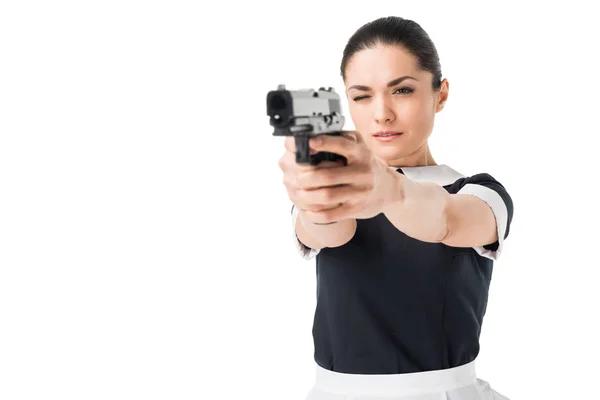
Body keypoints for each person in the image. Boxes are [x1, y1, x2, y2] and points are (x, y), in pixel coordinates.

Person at [278, 16, 514, 400]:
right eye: (361, 95)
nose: (382, 113)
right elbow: (327, 227)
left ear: (441, 94)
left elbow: (444, 219)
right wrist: (313, 193)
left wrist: (387, 187)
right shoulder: (332, 192)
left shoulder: (480, 193)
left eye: (402, 90)